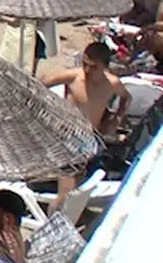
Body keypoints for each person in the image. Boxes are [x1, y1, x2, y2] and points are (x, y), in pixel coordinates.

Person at [43, 42, 131, 209]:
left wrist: (116, 118)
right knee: (66, 193)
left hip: (90, 140)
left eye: (94, 67)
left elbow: (127, 98)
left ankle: (62, 216)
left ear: (105, 67)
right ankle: (56, 221)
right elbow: (40, 84)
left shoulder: (112, 84)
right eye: (85, 64)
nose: (88, 70)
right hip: (66, 139)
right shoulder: (74, 77)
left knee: (74, 189)